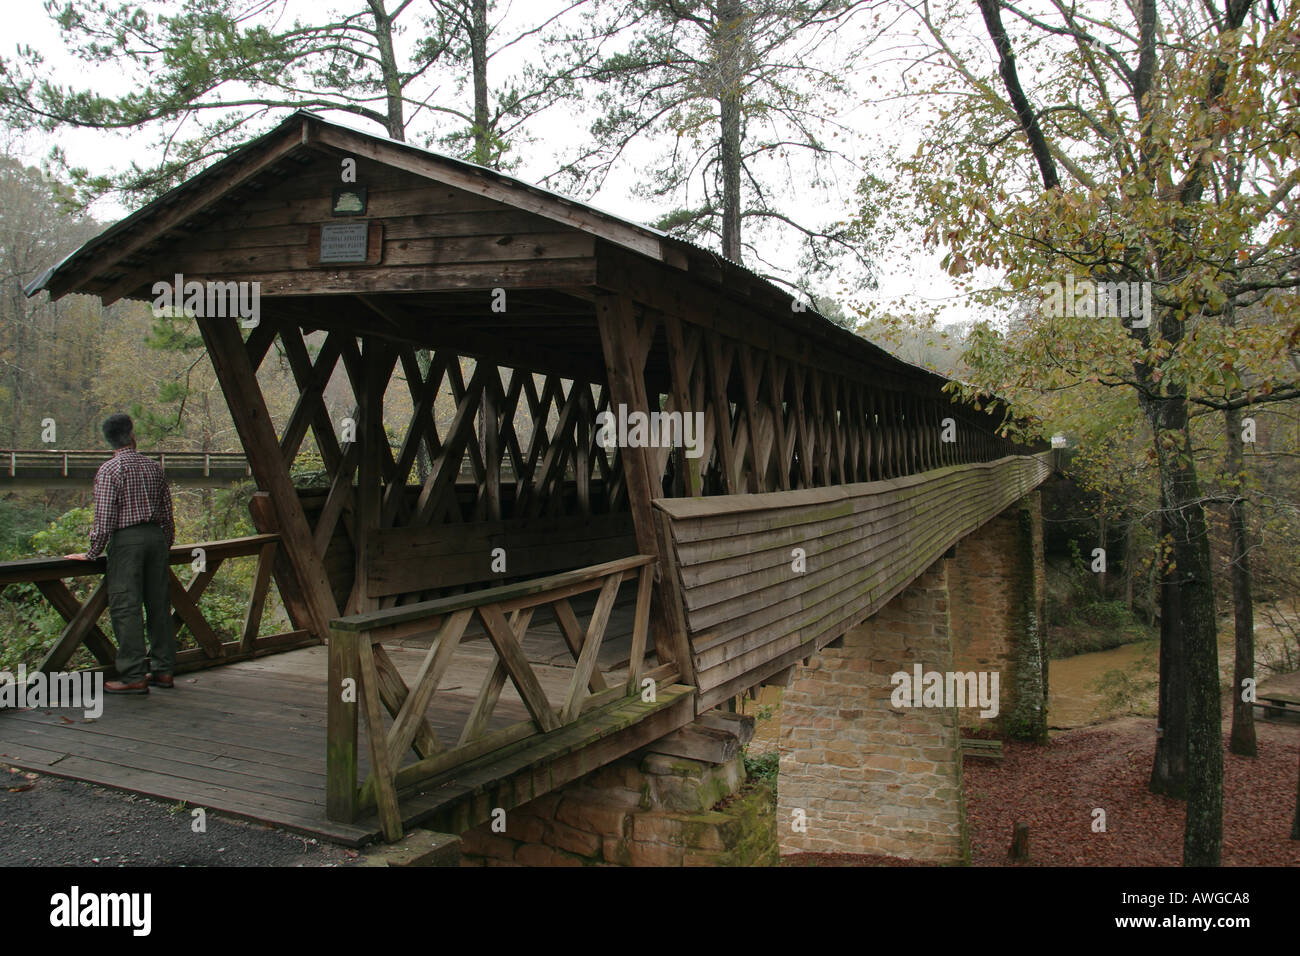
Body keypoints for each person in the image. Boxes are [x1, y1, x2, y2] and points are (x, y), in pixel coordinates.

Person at [66, 413, 177, 694]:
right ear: (132, 435)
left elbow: (104, 518)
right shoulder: (154, 468)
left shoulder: (109, 470)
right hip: (155, 538)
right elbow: (167, 513)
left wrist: (92, 553)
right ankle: (163, 671)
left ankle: (134, 675)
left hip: (126, 541)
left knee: (126, 606)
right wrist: (165, 543)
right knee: (158, 605)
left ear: (109, 441)